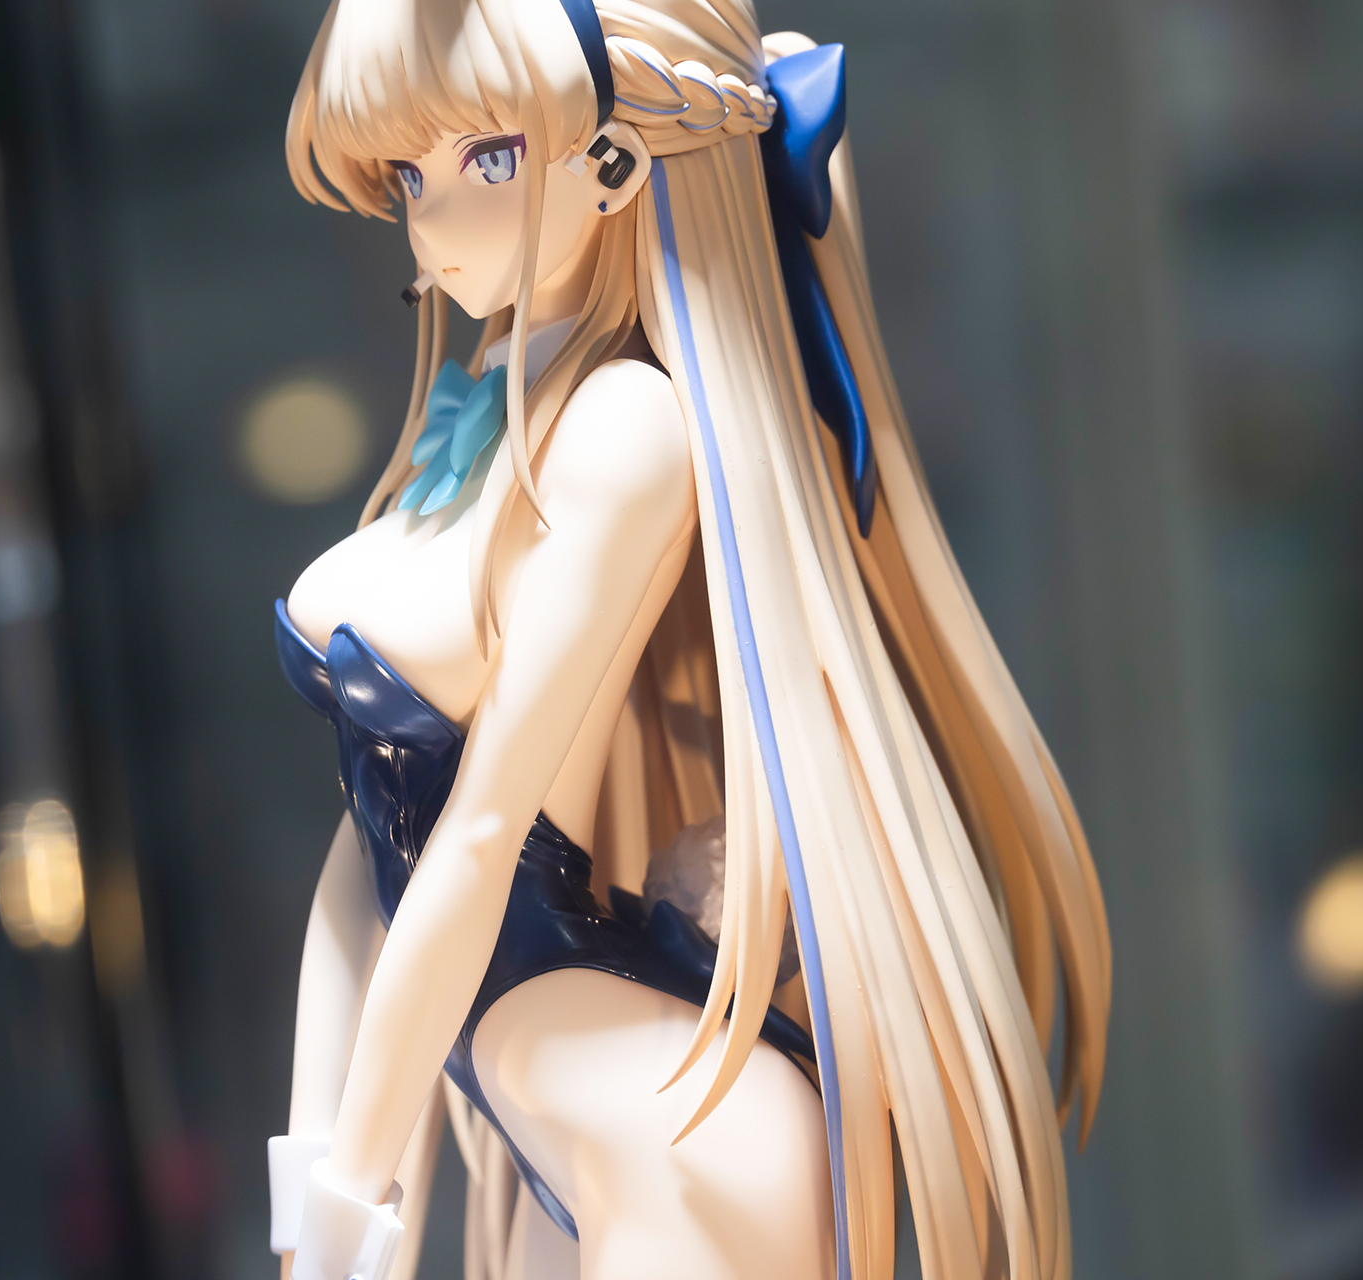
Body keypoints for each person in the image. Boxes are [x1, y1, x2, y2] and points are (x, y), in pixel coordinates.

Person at [267, 2, 1112, 1277]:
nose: (430, 216)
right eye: (408, 175)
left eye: (486, 158)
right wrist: (327, 1195)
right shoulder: (493, 416)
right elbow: (368, 858)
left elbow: (478, 835)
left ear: (611, 164)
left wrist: (347, 1204)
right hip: (558, 1079)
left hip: (648, 1112)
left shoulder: (625, 431)